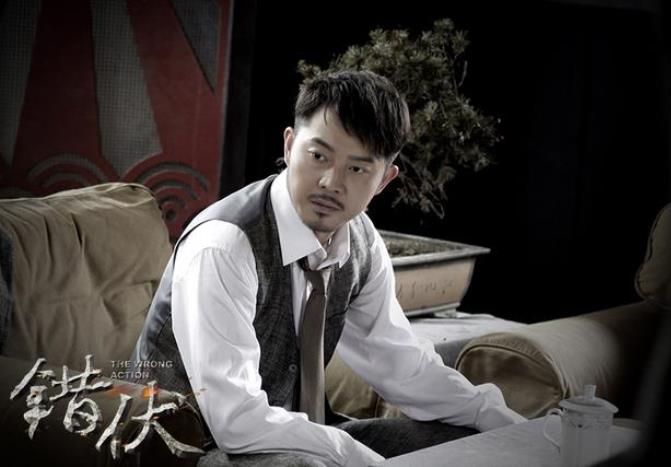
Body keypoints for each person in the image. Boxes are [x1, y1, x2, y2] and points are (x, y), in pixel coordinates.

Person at [130, 70, 525, 467]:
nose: (330, 182)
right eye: (318, 156)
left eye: (357, 169)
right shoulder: (224, 245)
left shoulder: (360, 241)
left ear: (384, 180)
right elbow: (234, 420)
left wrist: (499, 419)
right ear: (289, 146)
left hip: (288, 435)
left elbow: (402, 367)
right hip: (187, 448)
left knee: (467, 442)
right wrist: (351, 454)